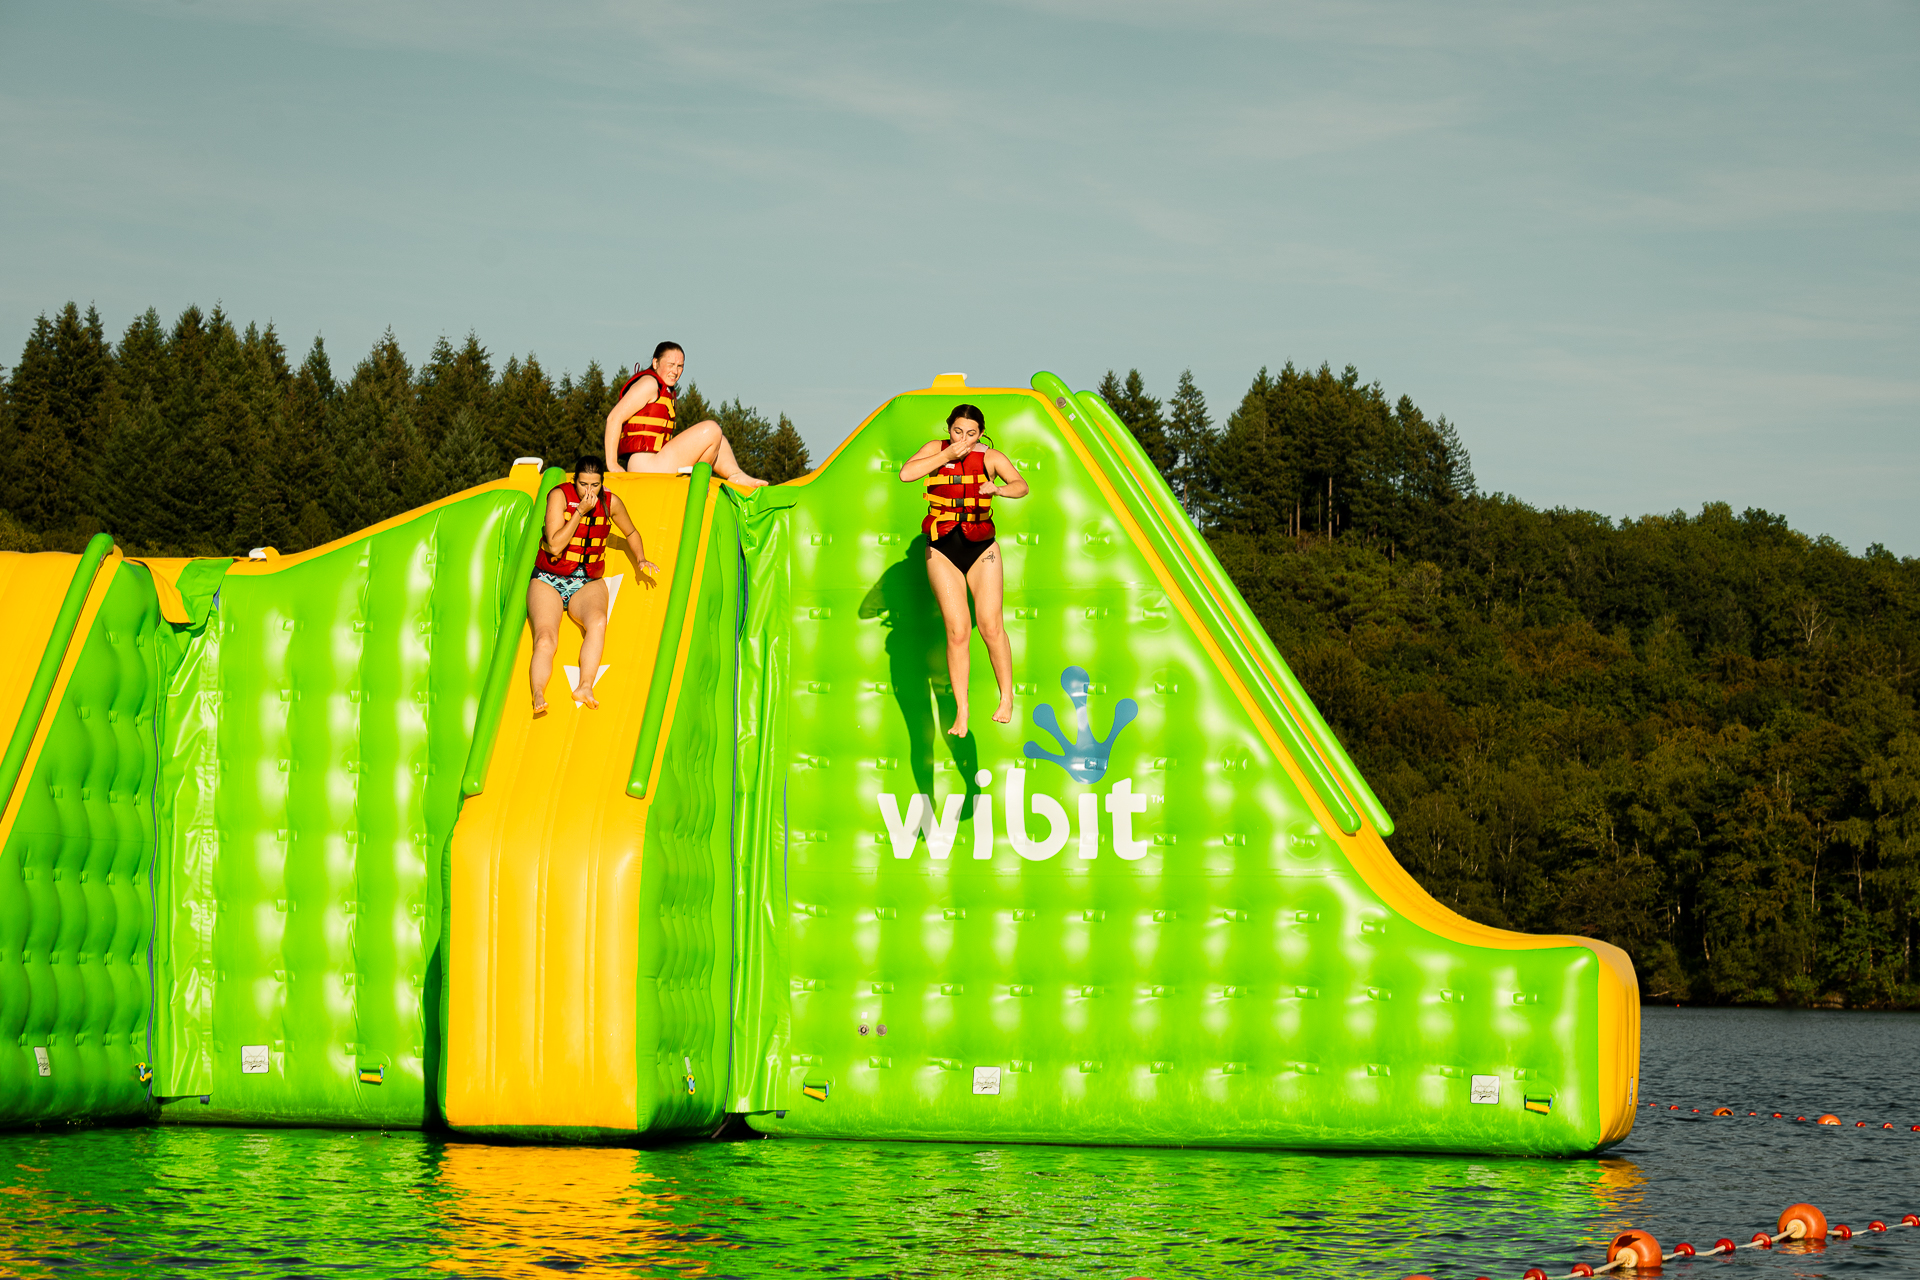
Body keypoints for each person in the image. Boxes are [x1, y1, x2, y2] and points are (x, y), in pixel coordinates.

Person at [897, 404, 1029, 737]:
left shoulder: (991, 457)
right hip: (942, 549)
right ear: (949, 429)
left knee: (990, 624)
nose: (964, 439)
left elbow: (1021, 486)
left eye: (971, 433)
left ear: (981, 434)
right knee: (958, 631)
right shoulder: (934, 450)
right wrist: (946, 456)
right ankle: (962, 710)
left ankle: (1007, 697)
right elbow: (906, 474)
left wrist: (998, 489)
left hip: (981, 548)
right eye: (958, 431)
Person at [528, 455, 660, 713]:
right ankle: (538, 692)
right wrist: (579, 512)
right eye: (583, 484)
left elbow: (631, 532)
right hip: (549, 579)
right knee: (545, 638)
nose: (589, 491)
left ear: (602, 483)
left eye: (595, 485)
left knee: (598, 622)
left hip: (587, 581)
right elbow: (554, 544)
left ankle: (585, 685)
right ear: (574, 480)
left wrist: (641, 558)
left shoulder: (611, 503)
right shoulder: (560, 497)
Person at [603, 341, 768, 488]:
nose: (675, 371)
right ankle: (698, 481)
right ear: (655, 363)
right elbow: (614, 418)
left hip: (659, 461)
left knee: (719, 439)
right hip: (645, 466)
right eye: (670, 364)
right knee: (711, 429)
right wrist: (612, 464)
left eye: (680, 366)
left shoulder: (664, 390)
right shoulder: (648, 383)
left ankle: (735, 475)